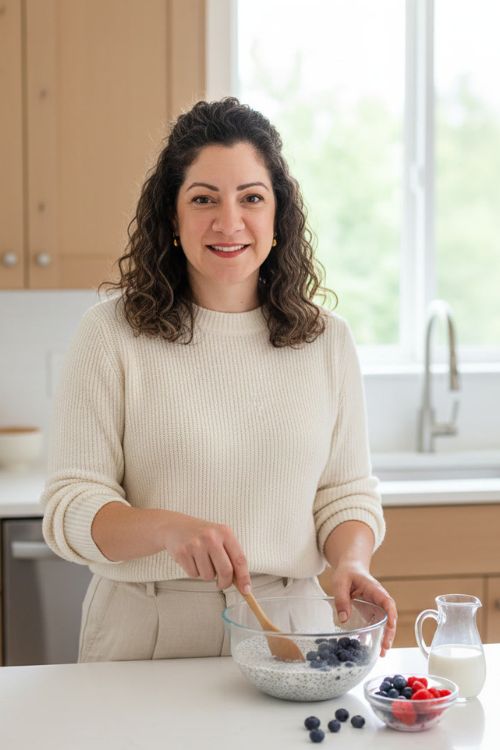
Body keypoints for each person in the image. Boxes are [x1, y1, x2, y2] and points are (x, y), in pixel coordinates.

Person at [41, 97, 397, 662]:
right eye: (203, 198)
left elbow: (344, 492)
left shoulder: (327, 340)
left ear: (277, 218)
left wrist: (351, 562)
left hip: (290, 626)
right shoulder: (111, 334)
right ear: (173, 221)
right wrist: (166, 530)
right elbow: (70, 508)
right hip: (144, 630)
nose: (228, 222)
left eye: (251, 198)